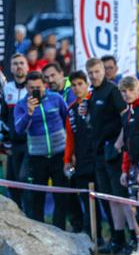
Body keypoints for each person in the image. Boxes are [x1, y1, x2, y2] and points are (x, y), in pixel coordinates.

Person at [86, 57, 135, 255]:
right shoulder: (92, 93)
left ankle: (135, 239)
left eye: (97, 71)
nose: (94, 75)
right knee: (109, 198)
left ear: (103, 71)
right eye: (90, 73)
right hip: (99, 153)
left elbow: (126, 117)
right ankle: (117, 240)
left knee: (122, 198)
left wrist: (119, 143)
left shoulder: (113, 91)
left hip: (114, 153)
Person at [14, 71, 68, 229]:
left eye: (38, 87)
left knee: (62, 197)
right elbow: (19, 129)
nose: (35, 90)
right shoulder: (21, 105)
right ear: (26, 88)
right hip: (37, 158)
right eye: (32, 88)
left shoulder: (56, 98)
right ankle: (40, 232)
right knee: (37, 198)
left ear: (44, 85)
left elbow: (67, 119)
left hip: (59, 154)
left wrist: (70, 151)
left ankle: (60, 231)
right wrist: (29, 113)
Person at [64, 70, 103, 241]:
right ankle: (94, 236)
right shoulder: (71, 110)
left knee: (106, 200)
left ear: (87, 85)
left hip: (99, 158)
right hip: (81, 161)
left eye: (80, 84)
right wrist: (67, 159)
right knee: (87, 201)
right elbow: (70, 138)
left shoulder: (96, 102)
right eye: (73, 85)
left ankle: (119, 237)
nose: (77, 88)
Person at [43, 62, 83, 232]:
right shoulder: (48, 94)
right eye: (47, 77)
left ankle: (90, 229)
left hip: (79, 147)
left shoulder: (72, 89)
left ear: (61, 74)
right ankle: (77, 225)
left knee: (83, 189)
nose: (50, 80)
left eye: (53, 75)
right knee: (67, 189)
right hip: (61, 149)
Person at [2, 54, 30, 209]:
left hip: (30, 143)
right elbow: (3, 117)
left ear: (27, 66)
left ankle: (30, 214)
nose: (18, 66)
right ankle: (17, 214)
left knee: (24, 178)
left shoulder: (33, 87)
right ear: (11, 68)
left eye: (21, 63)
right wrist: (5, 141)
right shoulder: (7, 88)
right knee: (12, 181)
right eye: (15, 63)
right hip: (13, 144)